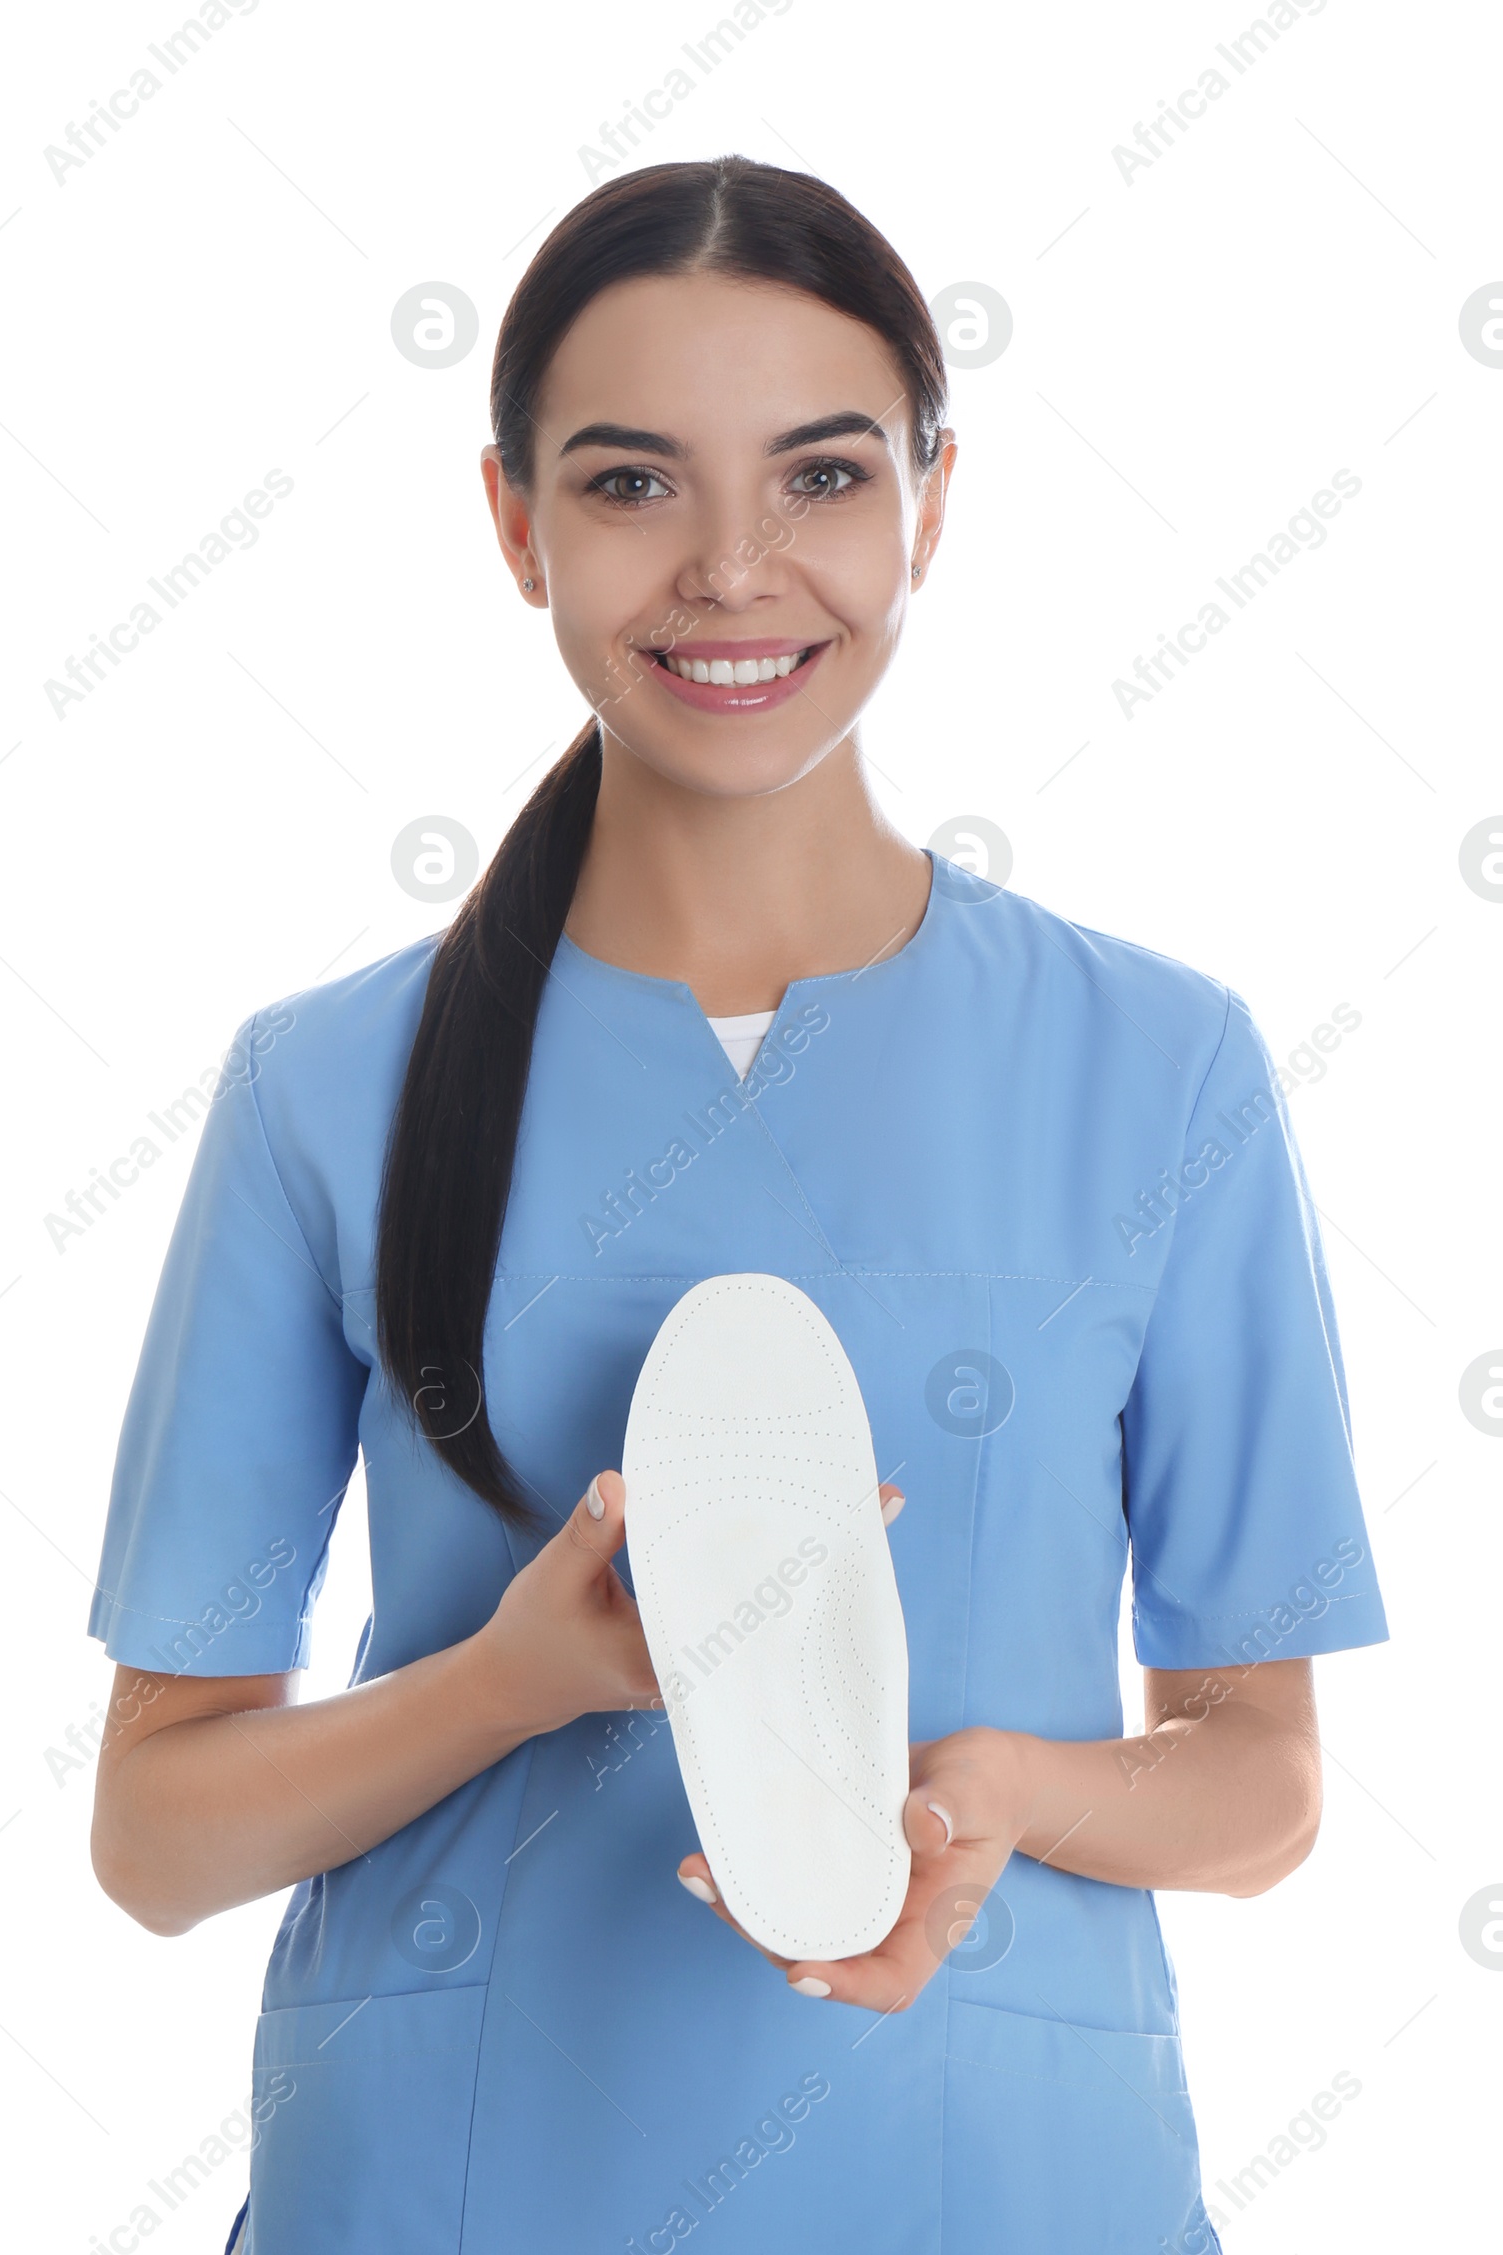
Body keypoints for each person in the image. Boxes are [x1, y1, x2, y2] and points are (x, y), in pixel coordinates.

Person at [87, 155, 1389, 2255]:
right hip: (457, 2184)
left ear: (929, 506)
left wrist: (994, 1799)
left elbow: (1259, 1779)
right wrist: (517, 1679)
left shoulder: (1164, 1069)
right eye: (626, 487)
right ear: (511, 522)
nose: (729, 569)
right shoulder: (325, 1088)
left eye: (815, 478)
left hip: (998, 2185)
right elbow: (153, 1837)